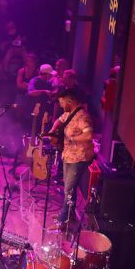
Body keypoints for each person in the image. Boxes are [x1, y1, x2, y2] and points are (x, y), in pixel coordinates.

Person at [49, 89, 95, 226]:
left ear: (69, 101)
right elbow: (59, 120)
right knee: (70, 188)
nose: (62, 106)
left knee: (69, 188)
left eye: (62, 103)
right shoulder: (69, 113)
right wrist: (52, 130)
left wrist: (72, 138)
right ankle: (70, 217)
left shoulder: (82, 117)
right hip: (68, 156)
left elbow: (89, 135)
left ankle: (63, 220)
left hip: (79, 158)